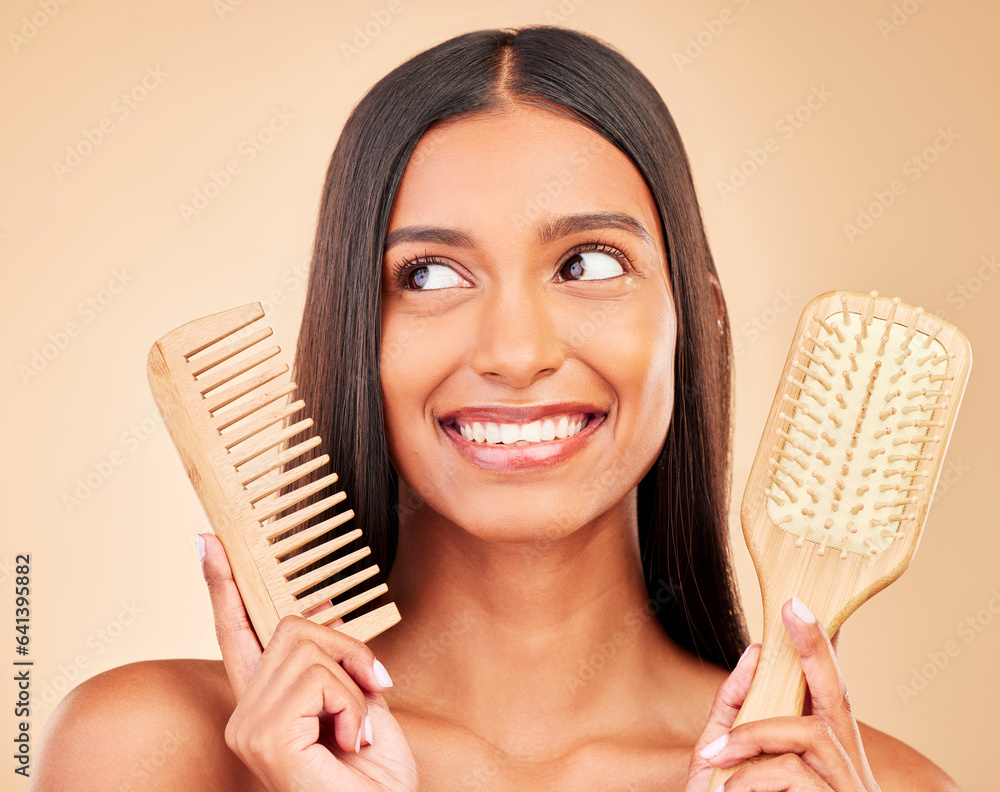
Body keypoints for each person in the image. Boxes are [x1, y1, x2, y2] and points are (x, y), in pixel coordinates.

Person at [32, 25, 959, 791]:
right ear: (357, 332)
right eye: (430, 274)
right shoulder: (149, 752)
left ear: (699, 325)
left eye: (588, 263)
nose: (516, 354)